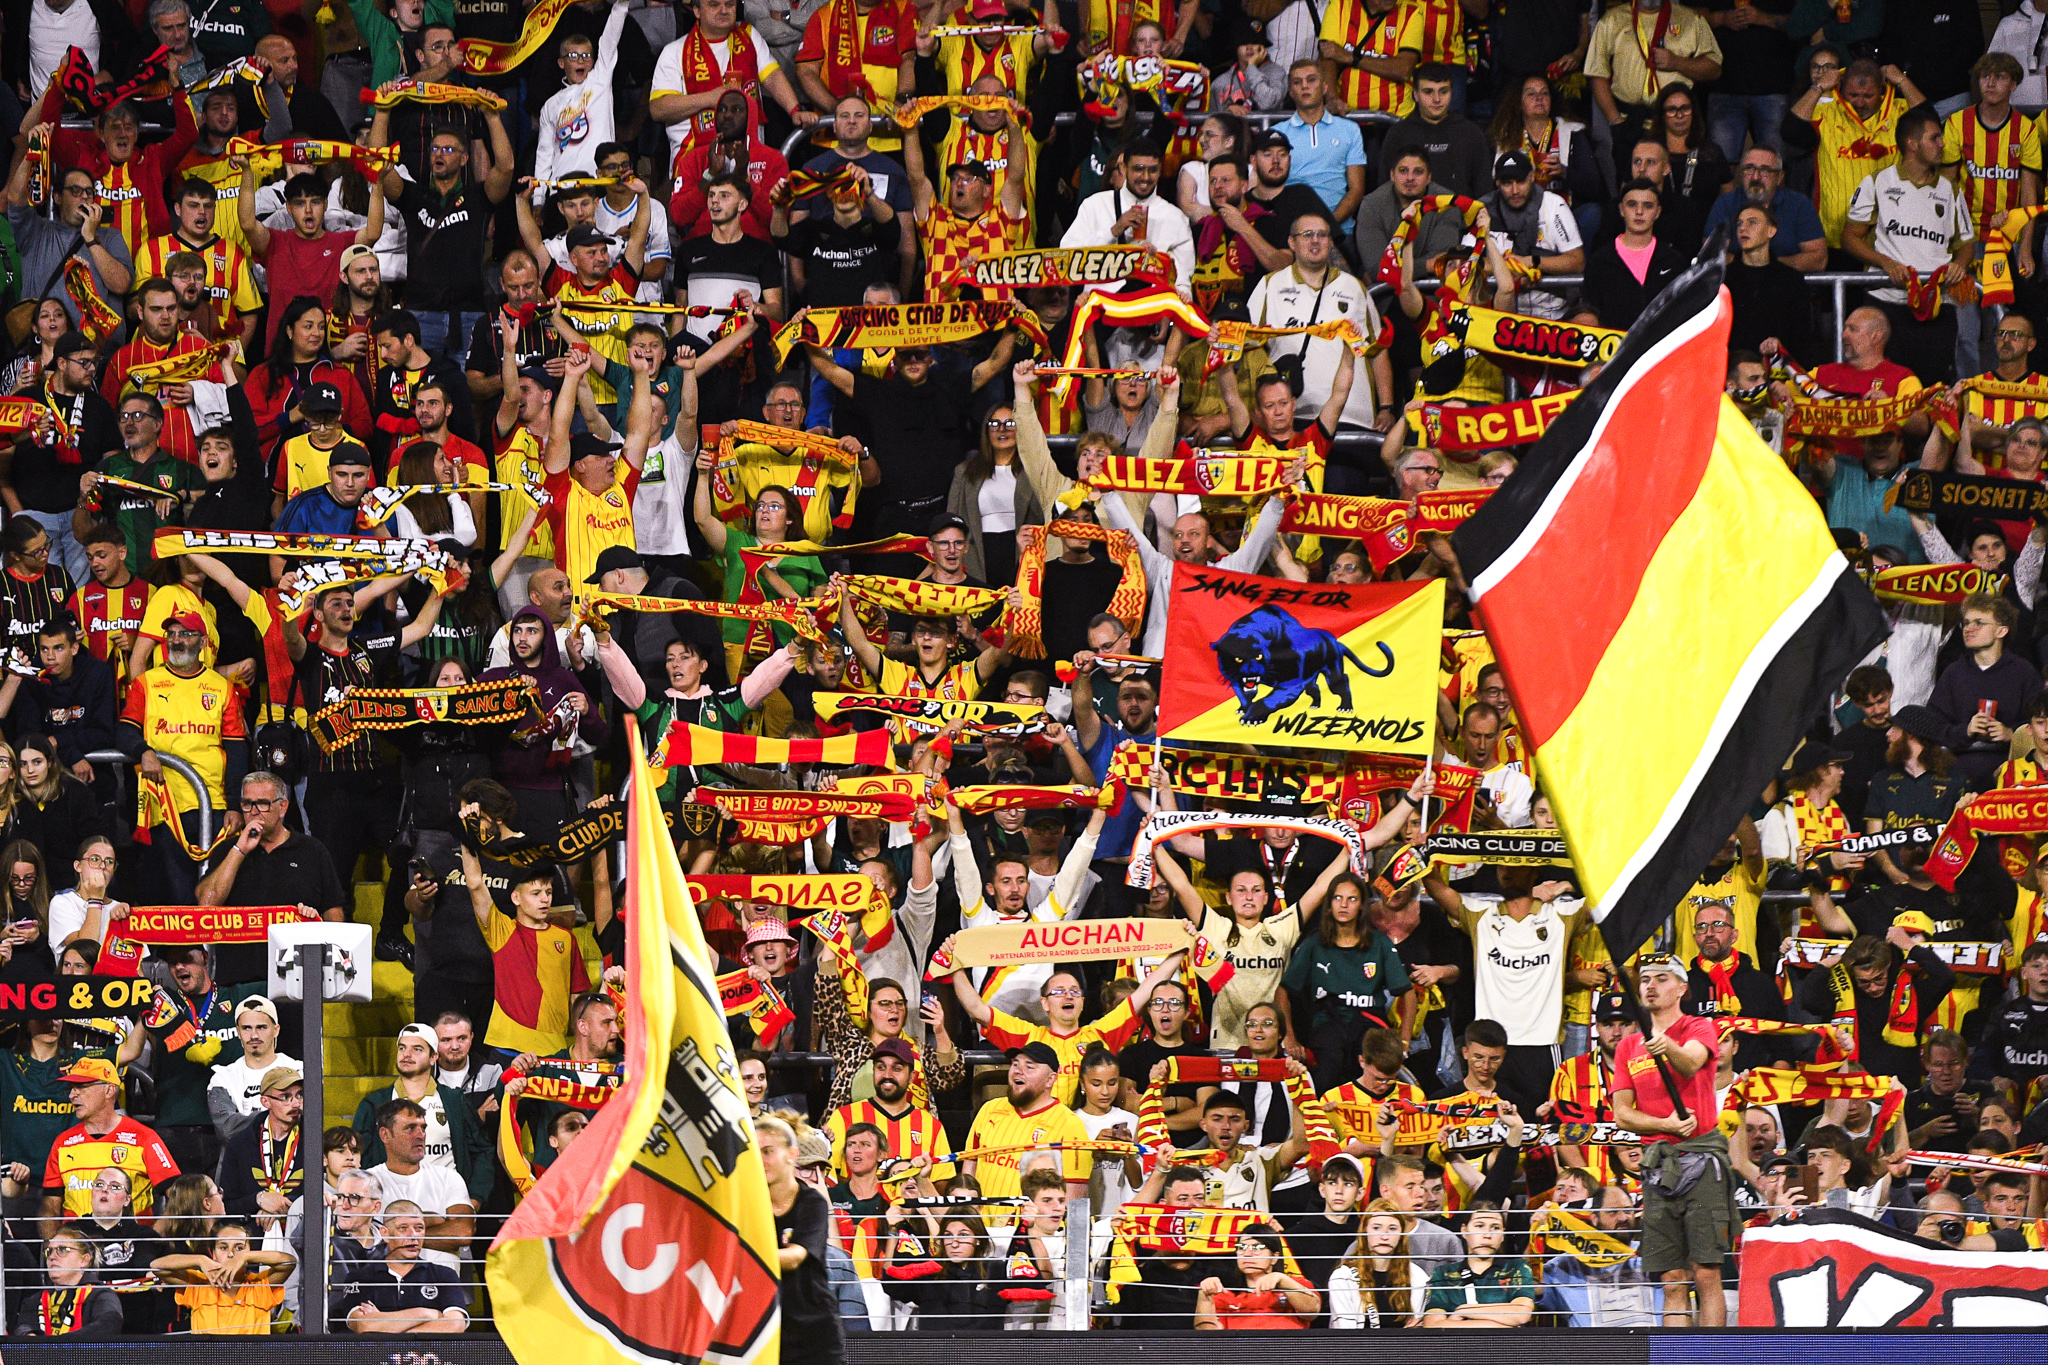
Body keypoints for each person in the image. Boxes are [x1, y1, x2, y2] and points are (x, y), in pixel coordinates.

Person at [1609, 955, 1728, 1327]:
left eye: (1662, 978)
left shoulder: (1699, 1026)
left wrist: (1665, 1046)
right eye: (1645, 979)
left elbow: (1691, 1063)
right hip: (1658, 1163)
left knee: (1706, 1272)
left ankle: (1714, 1359)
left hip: (1701, 1160)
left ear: (1681, 988)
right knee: (1671, 1278)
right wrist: (1665, 1124)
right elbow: (1622, 1113)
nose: (1650, 986)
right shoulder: (1629, 1046)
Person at [1846, 105, 1975, 384]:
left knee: (1936, 388)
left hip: (1937, 304)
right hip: (1887, 303)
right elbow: (1849, 236)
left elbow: (1966, 244)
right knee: (1882, 387)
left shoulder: (1951, 189)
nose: (1942, 144)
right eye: (1935, 138)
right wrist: (1885, 262)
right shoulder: (1878, 182)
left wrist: (1959, 265)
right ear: (1912, 144)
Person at [351, 1023, 494, 1206]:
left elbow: (483, 1151)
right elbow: (358, 1158)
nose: (406, 1055)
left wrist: (474, 1200)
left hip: (444, 1207)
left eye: (417, 1049)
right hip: (389, 1209)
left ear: (434, 1056)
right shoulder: (374, 1104)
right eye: (402, 1048)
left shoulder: (454, 1101)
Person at [41, 1055, 179, 1222]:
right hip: (79, 1243)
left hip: (132, 1243)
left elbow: (178, 1196)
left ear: (109, 1090)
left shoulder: (144, 1138)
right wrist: (54, 1243)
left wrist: (154, 1239)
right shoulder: (62, 1143)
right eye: (71, 1088)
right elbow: (50, 1207)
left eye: (81, 1087)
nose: (72, 1095)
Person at [962, 1040, 1093, 1200]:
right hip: (981, 1223)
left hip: (1030, 1224)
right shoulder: (989, 1109)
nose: (1018, 1071)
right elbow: (969, 1166)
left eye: (1029, 1067)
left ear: (1050, 1080)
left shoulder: (1070, 1125)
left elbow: (1074, 1195)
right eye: (1015, 1064)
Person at [364, 1099, 474, 1272]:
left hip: (443, 1292)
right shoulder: (367, 1181)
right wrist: (434, 1221)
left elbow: (462, 1232)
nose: (420, 1135)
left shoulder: (448, 1177)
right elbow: (366, 1239)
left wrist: (398, 1237)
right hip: (386, 1291)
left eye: (423, 1128)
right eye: (409, 1128)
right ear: (385, 1135)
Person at [338, 1198, 472, 1333]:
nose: (413, 1235)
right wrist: (425, 1314)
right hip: (380, 1354)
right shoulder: (361, 1278)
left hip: (429, 1354)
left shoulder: (444, 1275)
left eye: (419, 1228)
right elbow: (364, 1326)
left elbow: (455, 1325)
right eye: (403, 1228)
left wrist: (384, 1322)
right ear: (384, 1233)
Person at [1574, 178, 1685, 331]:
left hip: (1660, 350)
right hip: (1614, 350)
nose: (1639, 212)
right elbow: (1590, 310)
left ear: (1658, 212)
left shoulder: (1673, 260)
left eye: (1648, 206)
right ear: (1621, 209)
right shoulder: (1600, 260)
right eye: (1632, 204)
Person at [1701, 146, 1829, 271]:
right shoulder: (1726, 203)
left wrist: (1768, 265)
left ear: (1779, 177)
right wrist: (1753, 265)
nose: (1755, 177)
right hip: (1738, 285)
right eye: (1749, 169)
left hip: (1785, 285)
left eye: (1765, 170)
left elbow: (1818, 260)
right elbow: (1711, 256)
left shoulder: (1799, 204)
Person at [1380, 64, 1494, 196]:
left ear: (1452, 92)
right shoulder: (1398, 134)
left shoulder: (1470, 133)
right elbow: (1384, 190)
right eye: (1428, 92)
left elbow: (1484, 192)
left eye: (1443, 91)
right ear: (1416, 95)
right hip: (1410, 215)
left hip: (1460, 214)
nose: (1437, 99)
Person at [216, 1065, 304, 1231]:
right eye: (285, 1097)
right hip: (253, 1239)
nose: (295, 1103)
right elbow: (226, 1208)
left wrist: (280, 1207)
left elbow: (324, 1193)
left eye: (299, 1095)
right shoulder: (239, 1144)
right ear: (265, 1101)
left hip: (302, 1236)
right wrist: (258, 1200)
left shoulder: (314, 1141)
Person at [1418, 1202, 1535, 1327]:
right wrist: (1503, 1325)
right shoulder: (1443, 1274)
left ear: (1502, 1235)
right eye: (1479, 1226)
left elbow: (1522, 1314)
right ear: (1464, 1230)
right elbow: (1433, 1325)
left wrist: (1464, 1311)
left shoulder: (1517, 1268)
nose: (1487, 1235)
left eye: (1495, 1227)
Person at [14, 1225, 124, 1337]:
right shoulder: (34, 1300)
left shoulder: (101, 1296)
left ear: (84, 1260)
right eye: (49, 1251)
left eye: (62, 1250)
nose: (52, 1257)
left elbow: (108, 1325)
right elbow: (22, 1327)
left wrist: (57, 1344)